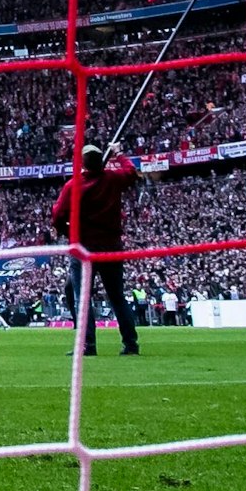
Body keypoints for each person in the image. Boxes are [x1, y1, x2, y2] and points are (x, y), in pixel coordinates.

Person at [51, 143, 139, 356]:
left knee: (82, 298)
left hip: (85, 248)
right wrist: (119, 153)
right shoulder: (112, 178)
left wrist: (68, 232)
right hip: (111, 247)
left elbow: (57, 215)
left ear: (82, 163)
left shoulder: (74, 186)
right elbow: (131, 173)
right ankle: (130, 343)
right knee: (117, 297)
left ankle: (88, 345)